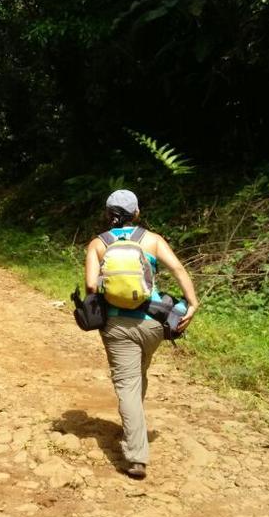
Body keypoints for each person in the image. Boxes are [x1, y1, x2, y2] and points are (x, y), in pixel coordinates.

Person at [84, 189, 199, 480]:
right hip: (153, 324)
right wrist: (193, 302)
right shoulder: (153, 240)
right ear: (137, 213)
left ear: (107, 213)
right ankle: (134, 427)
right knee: (139, 375)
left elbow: (90, 288)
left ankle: (136, 456)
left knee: (127, 384)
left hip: (116, 325)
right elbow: (177, 269)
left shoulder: (97, 244)